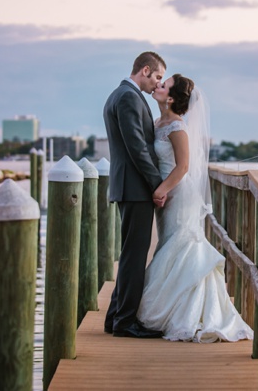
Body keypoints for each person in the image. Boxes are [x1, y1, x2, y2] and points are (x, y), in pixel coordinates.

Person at [138, 74, 253, 343]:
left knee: (183, 245)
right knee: (170, 244)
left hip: (179, 195)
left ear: (172, 98)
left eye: (163, 85)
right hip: (169, 193)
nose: (158, 85)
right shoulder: (159, 122)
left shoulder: (177, 126)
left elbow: (184, 167)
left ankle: (188, 312)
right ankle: (174, 304)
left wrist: (161, 189)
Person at [103, 51, 168, 339]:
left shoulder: (120, 94)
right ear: (144, 70)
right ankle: (125, 322)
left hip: (129, 187)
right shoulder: (128, 97)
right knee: (134, 255)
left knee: (131, 254)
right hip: (136, 188)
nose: (158, 84)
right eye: (156, 77)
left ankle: (115, 317)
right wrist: (157, 184)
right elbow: (137, 148)